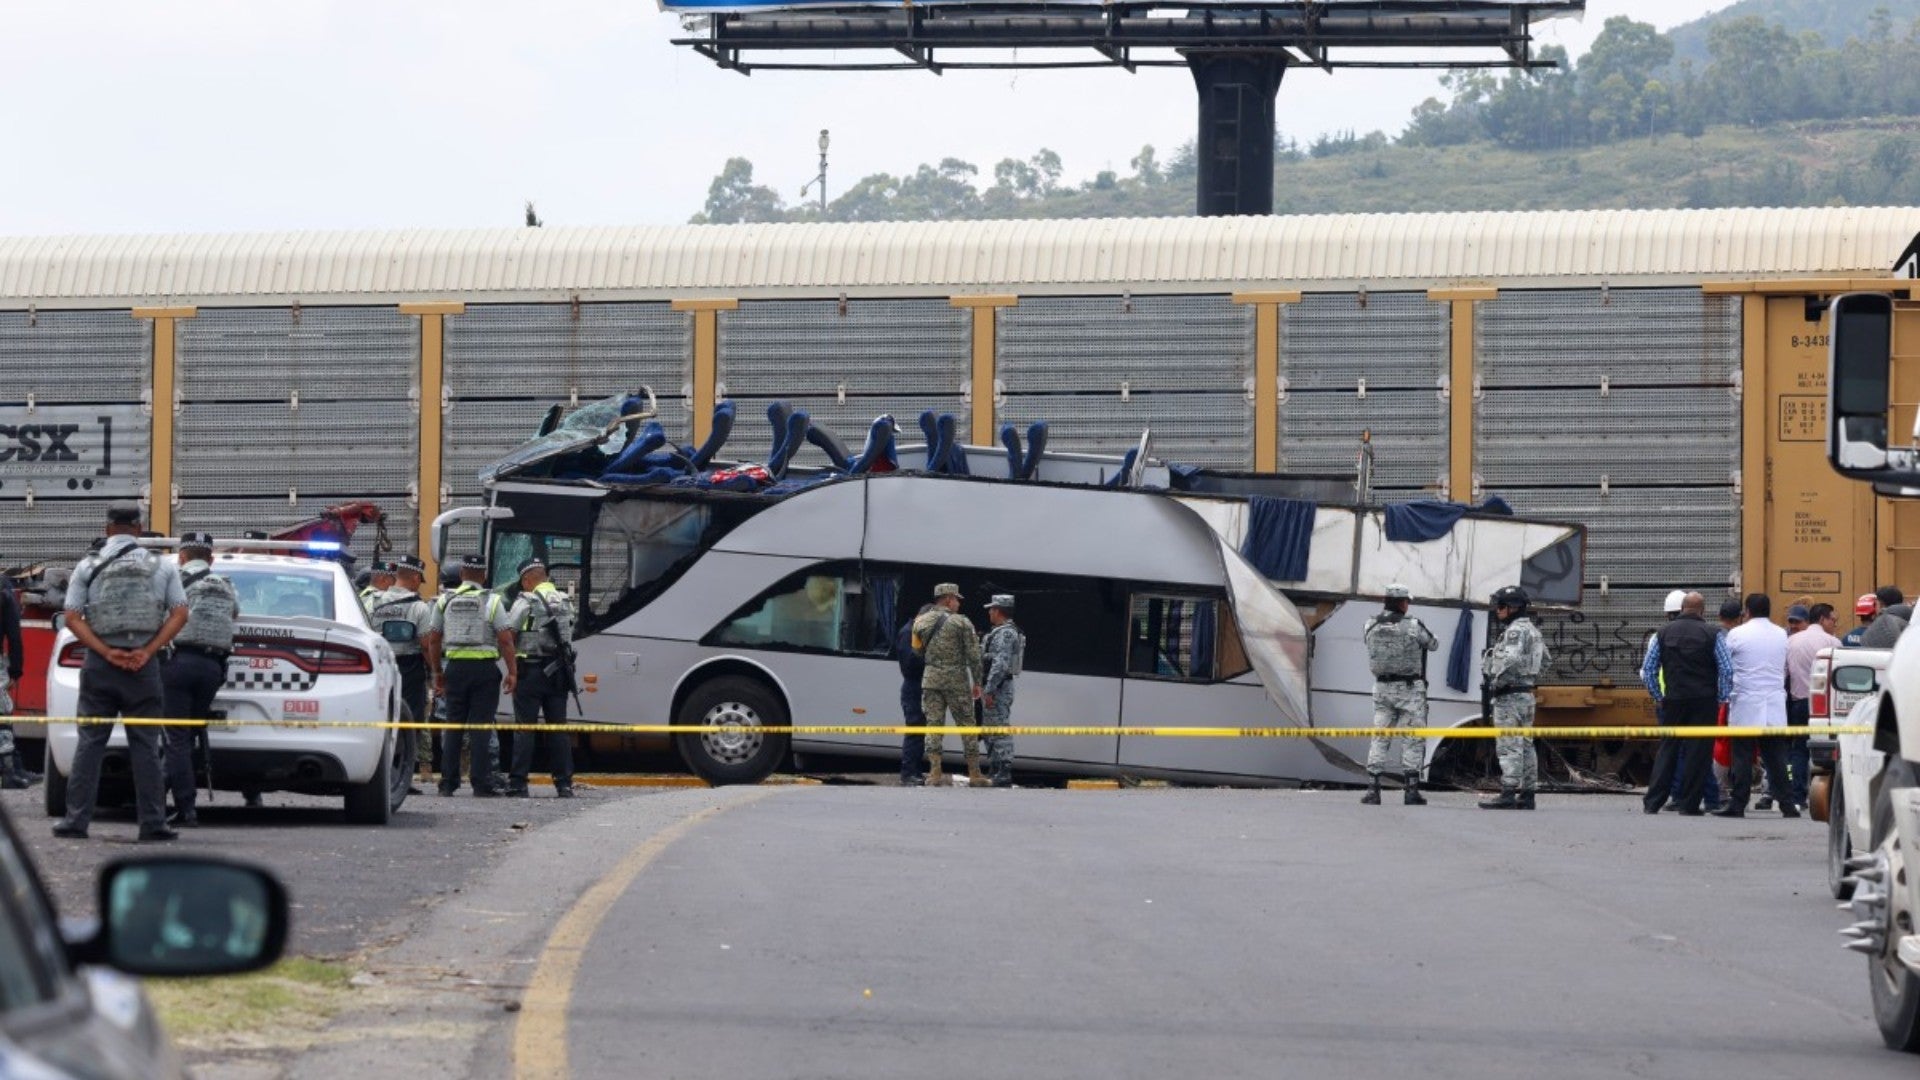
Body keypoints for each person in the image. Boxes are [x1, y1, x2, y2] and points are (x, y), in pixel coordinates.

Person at [53, 502, 189, 842]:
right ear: (139, 529)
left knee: (90, 743)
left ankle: (76, 821)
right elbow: (180, 613)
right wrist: (148, 649)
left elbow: (71, 616)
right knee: (145, 745)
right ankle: (153, 823)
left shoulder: (88, 565)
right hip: (143, 668)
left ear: (107, 528)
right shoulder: (162, 566)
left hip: (100, 666)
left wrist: (105, 651)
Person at [158, 533, 239, 828]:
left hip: (179, 664)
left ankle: (184, 808)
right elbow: (235, 614)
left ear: (181, 557)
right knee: (186, 736)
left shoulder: (173, 581)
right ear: (211, 560)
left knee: (176, 738)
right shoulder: (226, 584)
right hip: (212, 669)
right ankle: (161, 795)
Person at [425, 554, 516, 797]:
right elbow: (506, 640)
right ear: (484, 575)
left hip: (454, 668)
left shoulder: (445, 601)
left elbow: (433, 639)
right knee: (481, 727)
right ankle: (481, 783)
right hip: (485, 671)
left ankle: (448, 783)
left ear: (463, 574)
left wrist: (437, 672)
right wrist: (512, 672)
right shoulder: (493, 601)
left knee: (453, 725)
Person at [1640, 592, 1732, 815]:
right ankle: (1689, 805)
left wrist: (1658, 696)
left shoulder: (1662, 633)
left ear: (1681, 608)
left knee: (1667, 751)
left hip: (1673, 701)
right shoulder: (1713, 633)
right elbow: (1727, 669)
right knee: (1698, 754)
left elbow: (1649, 669)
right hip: (1704, 701)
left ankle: (1653, 803)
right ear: (1702, 610)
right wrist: (1721, 698)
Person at [1715, 593, 1799, 819]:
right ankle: (1787, 805)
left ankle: (1738, 804)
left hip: (1746, 701)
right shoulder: (1782, 634)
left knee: (1741, 755)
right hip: (1773, 703)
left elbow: (1726, 666)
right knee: (1776, 758)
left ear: (1747, 611)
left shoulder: (1736, 634)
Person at [1360, 583, 1438, 806]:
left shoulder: (1370, 624)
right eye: (1407, 601)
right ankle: (1411, 791)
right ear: (1402, 602)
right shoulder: (1413, 625)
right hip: (1410, 690)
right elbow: (1433, 644)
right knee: (1412, 738)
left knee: (1380, 737)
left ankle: (1373, 790)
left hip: (1382, 690)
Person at [505, 557, 576, 798]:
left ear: (527, 580)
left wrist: (511, 666)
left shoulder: (526, 600)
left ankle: (518, 783)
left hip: (530, 671)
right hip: (559, 673)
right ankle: (564, 784)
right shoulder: (566, 600)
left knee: (525, 728)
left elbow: (509, 633)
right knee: (558, 728)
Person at [1479, 585, 1549, 811]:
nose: (1497, 611)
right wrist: (1527, 675)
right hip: (1526, 694)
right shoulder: (1534, 631)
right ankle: (1528, 794)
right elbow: (1546, 661)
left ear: (1514, 608)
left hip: (1509, 696)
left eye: (1501, 606)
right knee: (1526, 746)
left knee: (1509, 744)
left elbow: (1509, 658)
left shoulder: (1514, 631)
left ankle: (1508, 793)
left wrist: (1493, 675)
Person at [368, 554, 434, 786]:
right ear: (415, 577)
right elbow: (427, 645)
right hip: (409, 669)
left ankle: (377, 773)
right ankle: (401, 777)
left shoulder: (372, 602)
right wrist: (435, 672)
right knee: (409, 722)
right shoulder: (419, 607)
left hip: (379, 667)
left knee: (381, 718)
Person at [913, 583, 982, 787]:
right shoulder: (962, 623)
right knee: (967, 726)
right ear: (948, 599)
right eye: (957, 599)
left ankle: (934, 774)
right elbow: (974, 655)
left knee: (933, 726)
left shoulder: (920, 622)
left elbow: (916, 651)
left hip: (931, 680)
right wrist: (977, 682)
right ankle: (975, 773)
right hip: (956, 681)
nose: (959, 603)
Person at [1784, 601, 1840, 811]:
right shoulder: (1833, 642)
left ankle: (1797, 796)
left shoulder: (1792, 641)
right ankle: (1831, 796)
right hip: (1824, 706)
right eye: (1833, 619)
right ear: (1823, 619)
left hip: (1798, 702)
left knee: (1798, 750)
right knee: (1830, 750)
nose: (1834, 623)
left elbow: (1784, 674)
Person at [978, 594, 1025, 789]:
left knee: (999, 729)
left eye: (992, 609)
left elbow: (1000, 664)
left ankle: (1003, 771)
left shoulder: (1006, 634)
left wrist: (989, 690)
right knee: (991, 729)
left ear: (998, 611)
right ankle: (995, 768)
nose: (989, 612)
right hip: (995, 687)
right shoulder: (999, 632)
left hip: (998, 688)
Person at [0, 565, 34, 789]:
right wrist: (16, 670)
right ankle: (10, 772)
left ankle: (17, 767)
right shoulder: (3, 588)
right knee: (3, 715)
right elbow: (14, 634)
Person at [895, 603, 935, 786]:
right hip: (913, 688)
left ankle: (915, 772)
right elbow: (909, 665)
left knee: (920, 733)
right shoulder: (908, 633)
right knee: (915, 731)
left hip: (920, 687)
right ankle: (909, 773)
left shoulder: (916, 633)